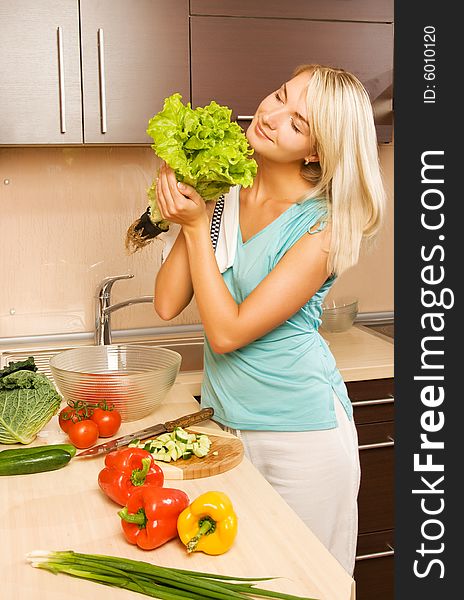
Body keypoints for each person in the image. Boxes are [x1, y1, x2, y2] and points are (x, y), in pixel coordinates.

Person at [153, 63, 386, 575]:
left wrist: (196, 231)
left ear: (317, 151)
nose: (271, 115)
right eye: (279, 94)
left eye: (298, 122)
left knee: (304, 581)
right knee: (238, 579)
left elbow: (228, 332)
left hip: (302, 437)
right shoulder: (226, 195)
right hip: (225, 429)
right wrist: (198, 206)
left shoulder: (322, 222)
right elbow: (167, 303)